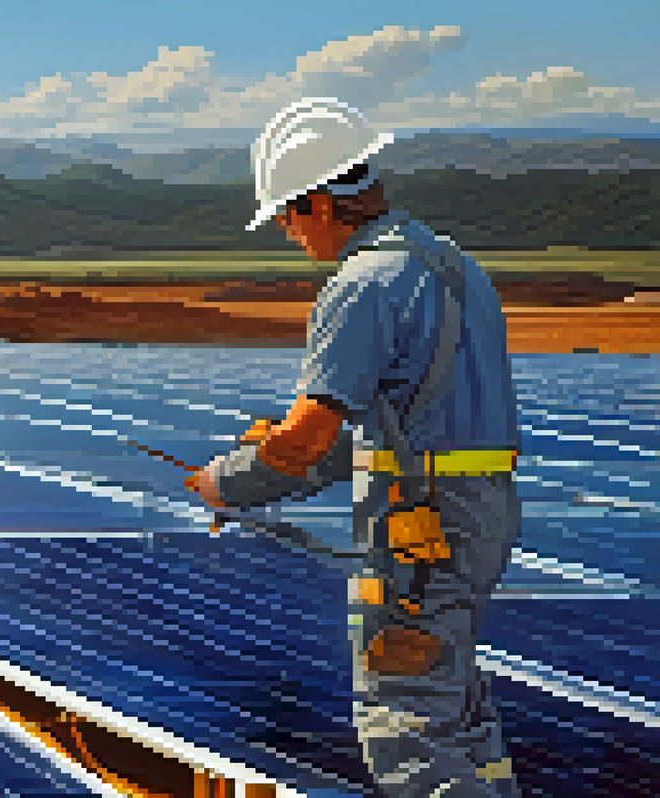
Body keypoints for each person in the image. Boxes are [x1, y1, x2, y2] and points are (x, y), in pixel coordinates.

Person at [187, 97, 523, 798]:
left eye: (285, 212)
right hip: (478, 518)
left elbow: (306, 442)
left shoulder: (362, 285)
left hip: (419, 537)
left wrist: (227, 481)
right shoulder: (458, 269)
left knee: (407, 723)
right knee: (456, 711)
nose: (286, 230)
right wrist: (275, 463)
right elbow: (391, 432)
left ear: (317, 201)